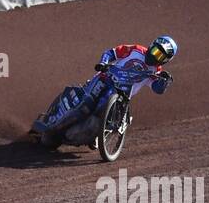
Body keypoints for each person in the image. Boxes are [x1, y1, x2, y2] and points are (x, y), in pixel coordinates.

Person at [36, 35, 177, 141]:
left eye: (160, 55)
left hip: (122, 97)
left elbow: (157, 88)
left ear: (165, 60)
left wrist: (164, 82)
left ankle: (97, 136)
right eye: (155, 50)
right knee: (85, 105)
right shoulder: (136, 50)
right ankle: (50, 124)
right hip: (106, 79)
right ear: (152, 45)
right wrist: (103, 63)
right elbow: (111, 53)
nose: (154, 55)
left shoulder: (156, 71)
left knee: (113, 123)